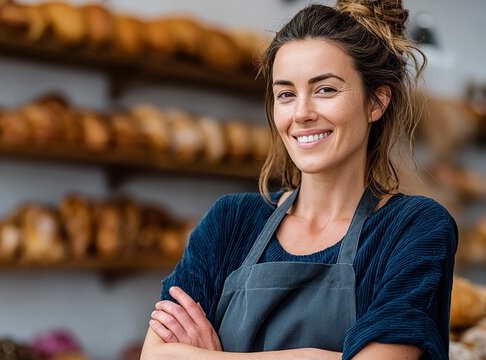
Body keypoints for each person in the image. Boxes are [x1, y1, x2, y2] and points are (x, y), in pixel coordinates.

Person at [140, 0, 458, 359]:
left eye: (325, 89)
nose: (302, 113)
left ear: (376, 102)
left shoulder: (412, 227)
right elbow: (155, 354)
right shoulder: (230, 221)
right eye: (286, 94)